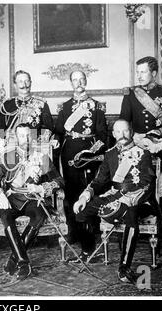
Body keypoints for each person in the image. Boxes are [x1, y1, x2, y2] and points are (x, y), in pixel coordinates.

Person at [73, 119, 157, 284]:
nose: (123, 135)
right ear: (113, 134)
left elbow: (147, 183)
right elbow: (98, 181)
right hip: (115, 194)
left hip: (140, 199)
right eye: (118, 132)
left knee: (131, 214)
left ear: (131, 132)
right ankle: (88, 250)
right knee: (81, 212)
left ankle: (124, 268)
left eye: (125, 131)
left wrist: (132, 199)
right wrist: (84, 196)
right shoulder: (110, 154)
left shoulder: (143, 153)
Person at [0, 123, 64, 281]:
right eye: (22, 135)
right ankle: (23, 263)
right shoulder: (7, 157)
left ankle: (14, 259)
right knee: (6, 217)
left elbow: (59, 180)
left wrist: (42, 187)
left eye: (29, 135)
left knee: (39, 216)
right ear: (16, 137)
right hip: (12, 197)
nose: (26, 139)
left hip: (32, 197)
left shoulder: (41, 157)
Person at [120, 56, 162, 202]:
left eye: (143, 72)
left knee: (157, 189)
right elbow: (123, 122)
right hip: (138, 148)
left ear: (154, 73)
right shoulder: (130, 95)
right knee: (136, 186)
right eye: (138, 72)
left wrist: (158, 133)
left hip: (160, 148)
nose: (139, 76)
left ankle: (158, 220)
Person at [55, 70, 108, 244]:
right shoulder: (64, 107)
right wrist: (55, 141)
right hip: (69, 152)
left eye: (81, 79)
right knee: (71, 191)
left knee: (89, 189)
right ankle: (73, 230)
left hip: (90, 153)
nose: (79, 83)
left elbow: (102, 134)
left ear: (86, 81)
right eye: (75, 80)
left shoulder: (97, 106)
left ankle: (91, 229)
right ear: (71, 83)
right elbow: (59, 132)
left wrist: (92, 152)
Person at [0, 70, 55, 146]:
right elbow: (0, 129)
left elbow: (48, 129)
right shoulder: (7, 105)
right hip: (11, 147)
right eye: (20, 82)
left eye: (27, 81)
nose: (24, 85)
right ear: (15, 85)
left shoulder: (41, 104)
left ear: (31, 83)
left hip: (33, 147)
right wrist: (0, 141)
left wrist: (40, 143)